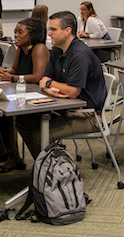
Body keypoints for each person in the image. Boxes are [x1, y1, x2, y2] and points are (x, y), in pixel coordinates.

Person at [16, 11, 107, 159]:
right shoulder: (57, 50)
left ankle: (49, 173)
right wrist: (49, 87)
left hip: (88, 115)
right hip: (64, 108)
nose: (49, 33)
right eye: (49, 29)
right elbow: (43, 80)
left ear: (67, 31)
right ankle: (45, 167)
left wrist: (50, 84)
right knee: (23, 122)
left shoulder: (79, 54)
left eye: (53, 29)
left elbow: (72, 92)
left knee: (40, 136)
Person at [0, 18, 50, 173]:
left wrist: (11, 78)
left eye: (20, 32)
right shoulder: (21, 48)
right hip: (21, 91)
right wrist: (5, 73)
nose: (16, 35)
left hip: (37, 95)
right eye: (15, 31)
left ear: (32, 35)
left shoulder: (39, 48)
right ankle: (5, 149)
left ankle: (13, 155)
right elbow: (14, 69)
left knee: (8, 114)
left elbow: (36, 76)